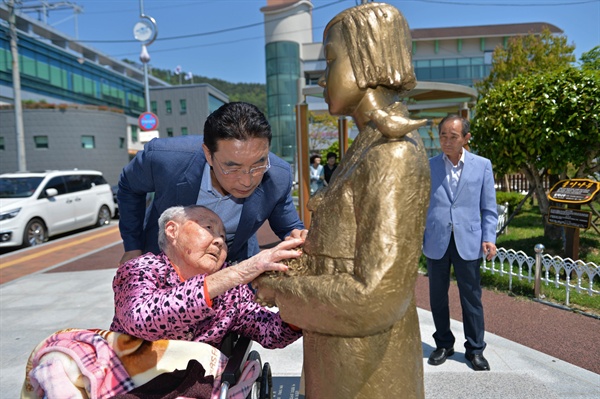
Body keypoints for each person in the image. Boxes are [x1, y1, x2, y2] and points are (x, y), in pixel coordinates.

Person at [254, 4, 429, 398]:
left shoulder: (392, 153)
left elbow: (376, 297)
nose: (322, 79)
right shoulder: (365, 147)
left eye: (331, 61)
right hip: (341, 358)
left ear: (367, 61)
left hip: (366, 371)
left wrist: (279, 291)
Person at [117, 101, 307, 265]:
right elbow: (129, 186)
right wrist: (132, 246)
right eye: (232, 168)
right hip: (166, 261)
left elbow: (289, 226)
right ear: (208, 154)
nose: (247, 181)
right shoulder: (164, 159)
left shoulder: (278, 176)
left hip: (234, 266)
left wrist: (298, 236)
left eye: (258, 164)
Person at [110, 205, 304, 349]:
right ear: (172, 231)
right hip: (133, 380)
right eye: (209, 228)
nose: (219, 241)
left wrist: (299, 301)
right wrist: (238, 272)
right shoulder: (140, 269)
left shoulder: (232, 292)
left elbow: (271, 331)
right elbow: (140, 319)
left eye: (224, 238)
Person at [422, 114, 498, 371]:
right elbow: (420, 205)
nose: (446, 141)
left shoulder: (482, 165)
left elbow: (489, 207)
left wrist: (489, 237)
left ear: (466, 138)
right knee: (437, 297)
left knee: (471, 298)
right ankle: (443, 344)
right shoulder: (429, 165)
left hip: (469, 240)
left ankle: (475, 349)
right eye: (443, 135)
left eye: (453, 136)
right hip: (436, 239)